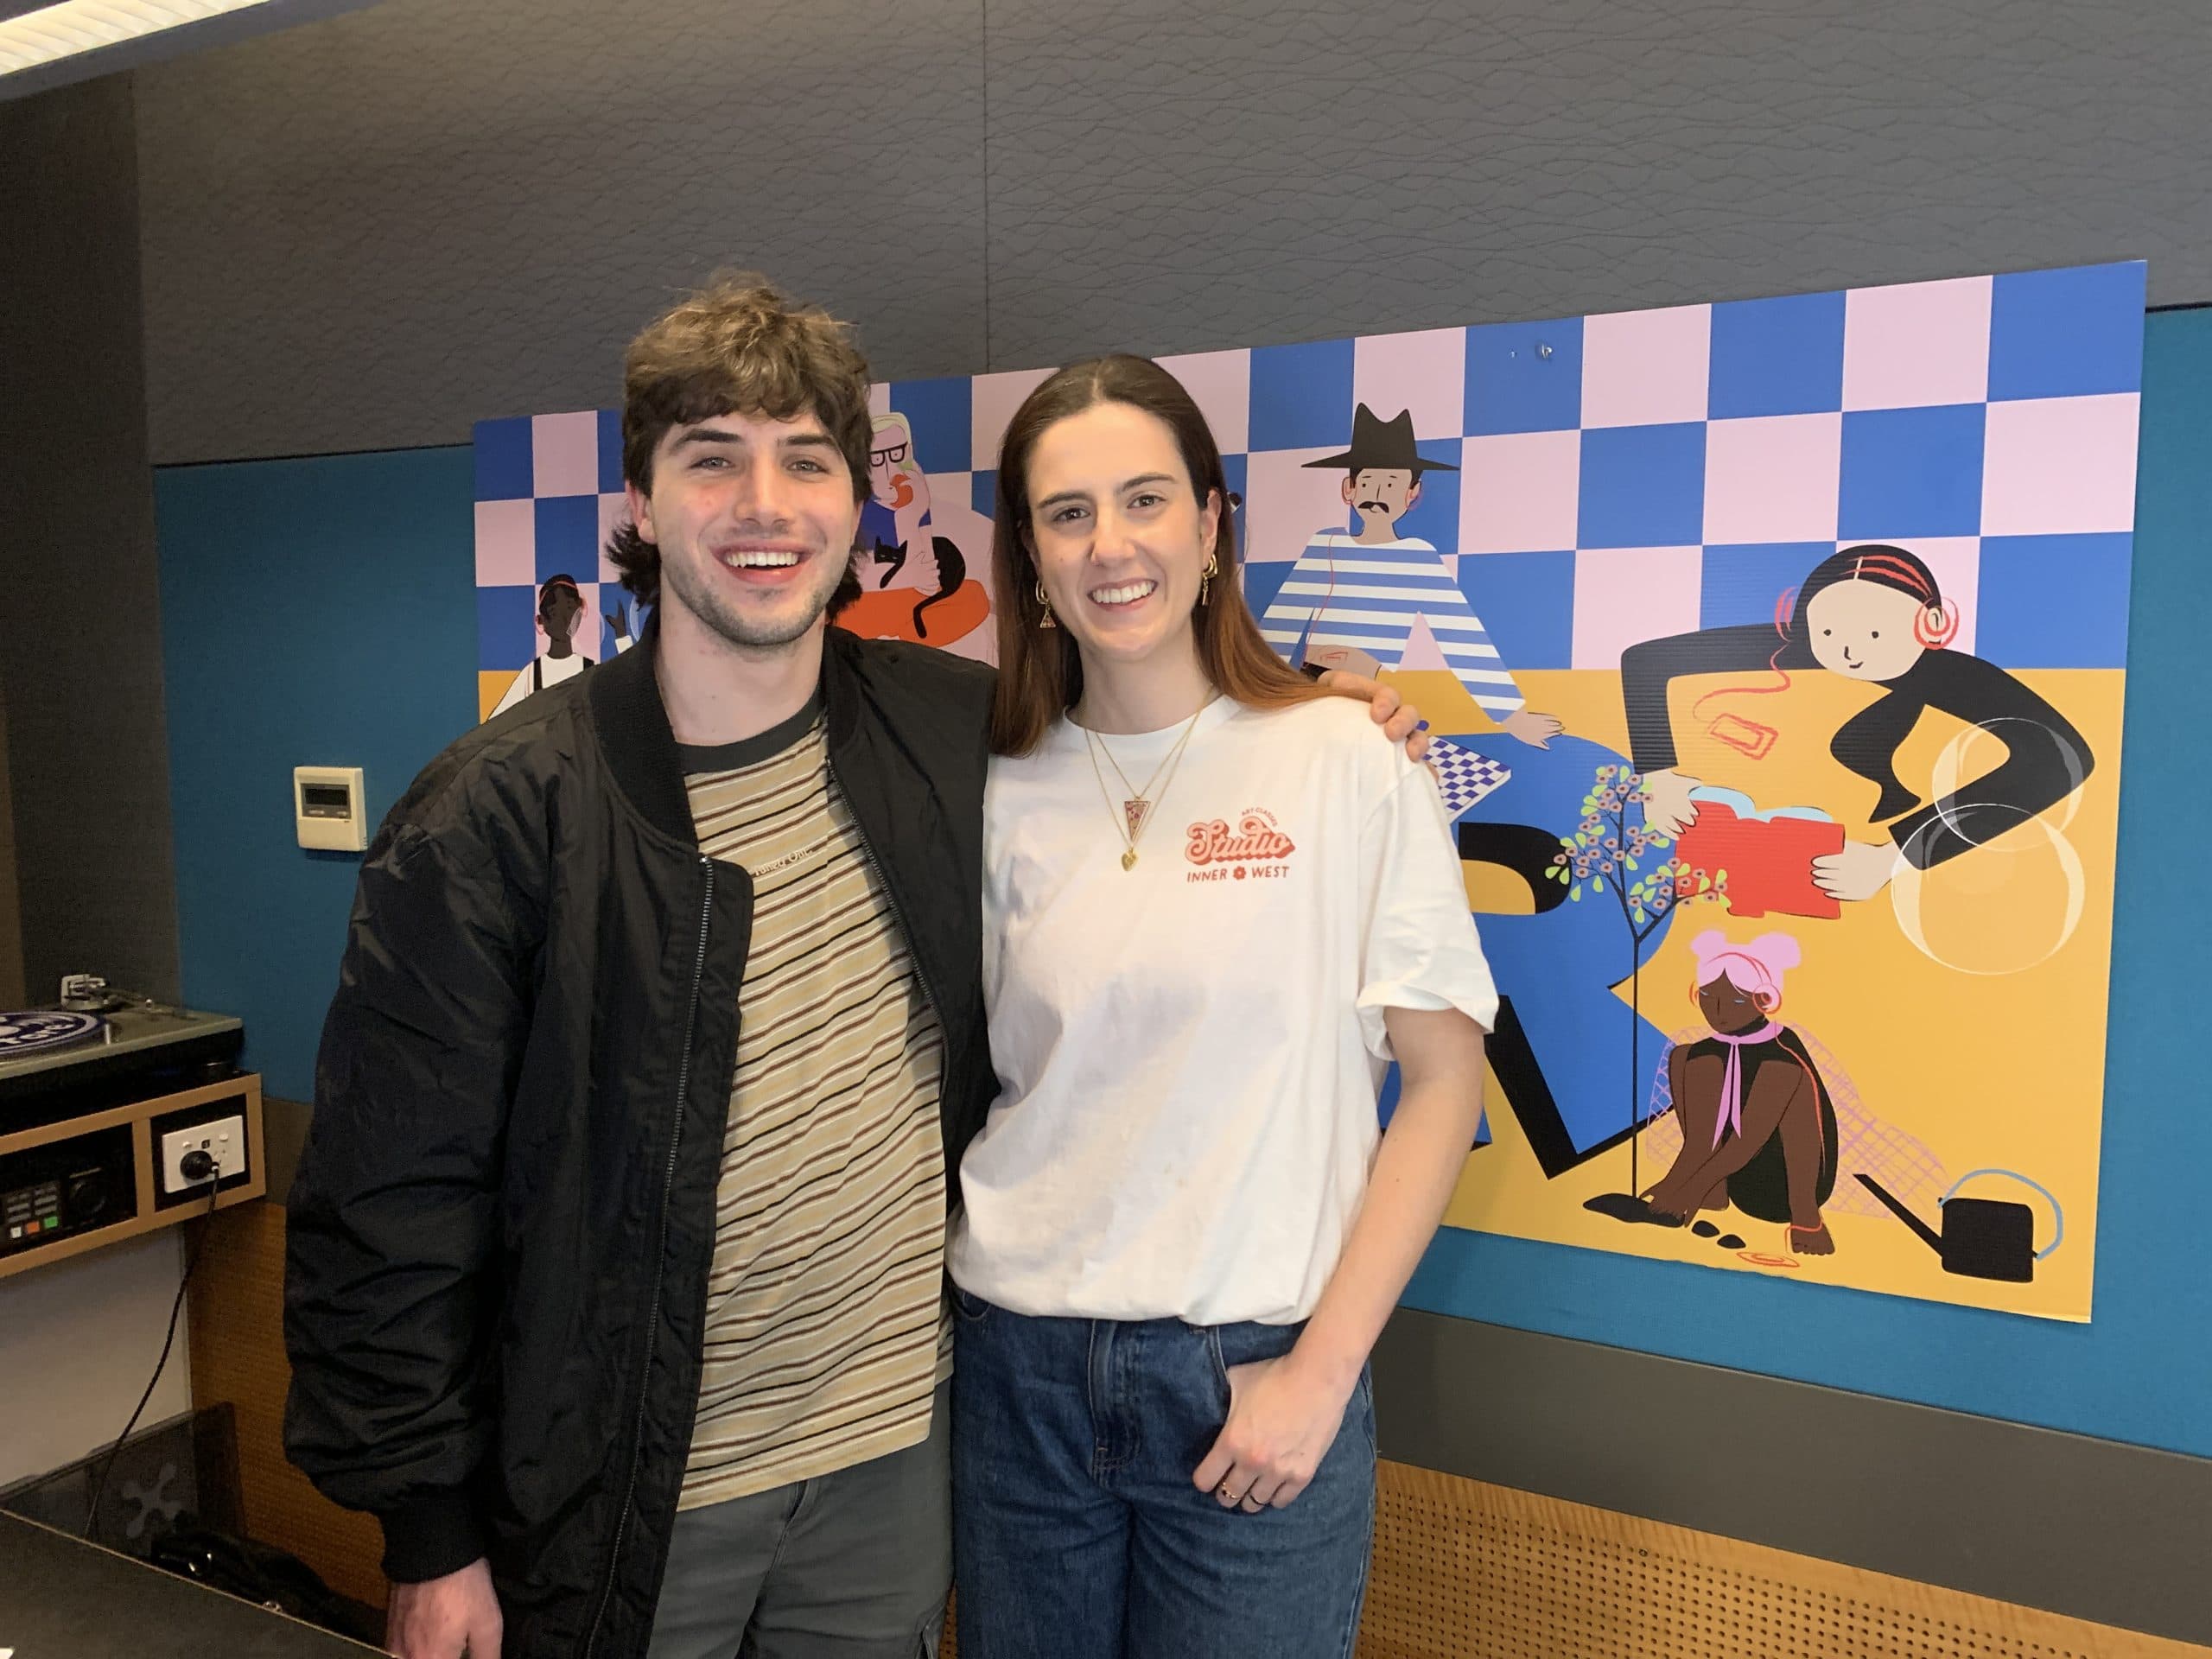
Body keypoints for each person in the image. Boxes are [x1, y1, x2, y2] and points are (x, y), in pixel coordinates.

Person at [283, 277, 1426, 1659]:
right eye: (713, 459)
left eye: (805, 461)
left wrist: (1322, 711)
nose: (764, 505)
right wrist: (429, 1533)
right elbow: (391, 1198)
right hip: (625, 1494)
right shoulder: (497, 814)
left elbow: (1156, 725)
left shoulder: (948, 732)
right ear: (641, 501)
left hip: (893, 1471)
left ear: (855, 499)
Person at [948, 356, 1497, 1659]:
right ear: (1030, 558)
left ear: (1210, 526)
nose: (1111, 544)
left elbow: (1443, 1081)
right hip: (1015, 1378)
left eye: (1145, 499)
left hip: (1251, 1373)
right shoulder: (988, 786)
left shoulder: (1348, 756)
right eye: (1067, 513)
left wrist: (1322, 1373)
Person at [1624, 544, 2094, 903]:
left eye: (1874, 633)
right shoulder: (1797, 646)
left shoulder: (1954, 676)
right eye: (1829, 632)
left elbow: (2060, 758)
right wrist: (1657, 776)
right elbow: (1646, 661)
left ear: (1931, 622)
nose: (1849, 651)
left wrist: (1896, 856)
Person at [1256, 401, 1562, 748]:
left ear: (1412, 492)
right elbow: (1277, 630)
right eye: (1367, 482)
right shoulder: (1324, 544)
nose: (1376, 495)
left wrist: (1512, 716)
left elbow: (1460, 635)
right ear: (1349, 489)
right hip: (1308, 695)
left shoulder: (1418, 558)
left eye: (1391, 484)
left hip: (1371, 702)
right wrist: (1256, 702)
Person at [1643, 931, 1838, 1254]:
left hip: (1779, 1186)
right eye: (1707, 996)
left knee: (1790, 1079)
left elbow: (1748, 1140)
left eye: (1734, 1001)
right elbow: (1699, 1140)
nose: (1717, 1010)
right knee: (1684, 1056)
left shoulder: (1781, 1053)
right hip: (1725, 1174)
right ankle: (1714, 1193)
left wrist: (1691, 1191)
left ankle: (1807, 1219)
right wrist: (1676, 1184)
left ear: (1763, 1000)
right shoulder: (1705, 1052)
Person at [486, 572, 596, 717]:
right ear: (541, 621)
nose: (565, 619)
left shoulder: (591, 669)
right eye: (554, 612)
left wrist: (622, 641)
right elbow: (498, 721)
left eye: (569, 608)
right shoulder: (531, 674)